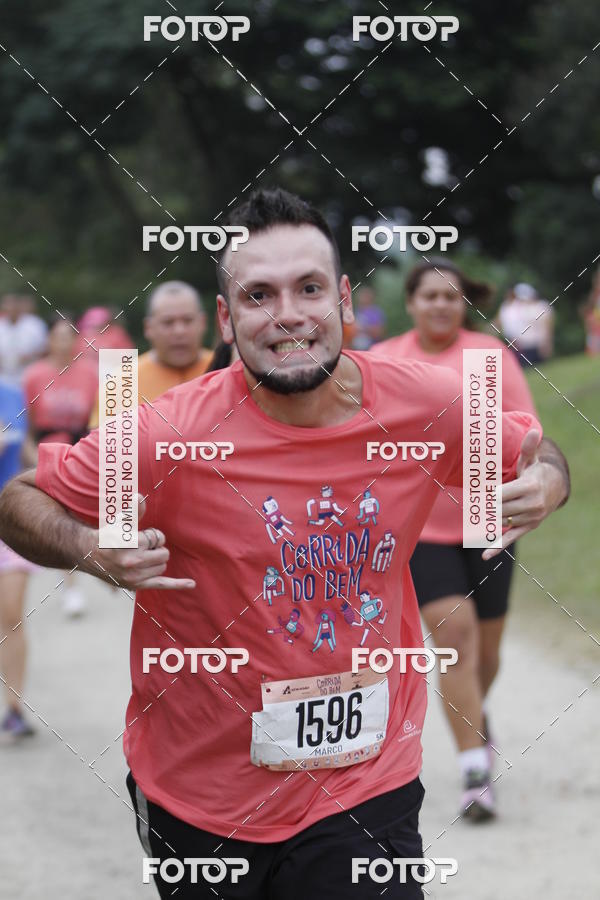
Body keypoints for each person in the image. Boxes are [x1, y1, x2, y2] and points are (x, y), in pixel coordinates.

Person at [0, 189, 569, 899]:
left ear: (343, 299)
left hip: (366, 781)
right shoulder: (166, 432)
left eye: (308, 289)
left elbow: (540, 458)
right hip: (203, 797)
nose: (289, 314)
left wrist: (545, 484)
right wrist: (87, 545)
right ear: (227, 319)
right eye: (259, 295)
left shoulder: (428, 402)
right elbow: (20, 500)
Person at [372, 261, 559, 821]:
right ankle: (476, 773)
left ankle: (475, 718)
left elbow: (527, 428)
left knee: (487, 652)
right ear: (411, 302)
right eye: (430, 296)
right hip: (421, 524)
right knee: (454, 634)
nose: (440, 306)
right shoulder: (384, 360)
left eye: (451, 298)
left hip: (486, 517)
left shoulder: (489, 356)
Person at [23, 312, 98, 617]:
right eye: (58, 337)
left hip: (82, 451)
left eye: (70, 337)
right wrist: (33, 459)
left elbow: (100, 418)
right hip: (47, 453)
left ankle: (100, 568)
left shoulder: (91, 373)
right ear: (49, 341)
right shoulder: (34, 376)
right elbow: (26, 425)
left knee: (84, 519)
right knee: (62, 519)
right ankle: (71, 587)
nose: (64, 343)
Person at [88, 281, 214, 428]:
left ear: (203, 323)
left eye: (188, 321)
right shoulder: (121, 384)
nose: (179, 331)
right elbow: (107, 448)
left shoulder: (226, 369)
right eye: (168, 322)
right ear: (148, 328)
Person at [0, 376, 38, 741]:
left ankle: (13, 709)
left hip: (7, 517)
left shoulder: (10, 392)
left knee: (11, 614)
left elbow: (17, 446)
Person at [495, 282, 554, 366]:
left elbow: (547, 327)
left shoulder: (542, 306)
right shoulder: (517, 308)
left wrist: (546, 343)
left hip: (537, 344)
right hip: (523, 346)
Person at [0, 293, 48, 384]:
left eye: (13, 305)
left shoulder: (35, 325)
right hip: (3, 378)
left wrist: (30, 356)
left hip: (29, 375)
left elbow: (46, 348)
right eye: (7, 305)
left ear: (19, 305)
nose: (11, 308)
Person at [351, 286, 386, 350]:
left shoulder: (375, 313)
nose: (361, 298)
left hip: (372, 348)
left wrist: (363, 328)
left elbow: (380, 333)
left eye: (364, 296)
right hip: (356, 349)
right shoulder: (356, 311)